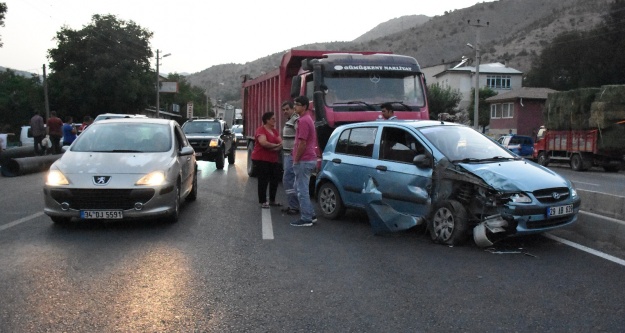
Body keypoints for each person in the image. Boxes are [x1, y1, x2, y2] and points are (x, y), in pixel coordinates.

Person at [290, 96, 318, 227]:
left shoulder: (304, 121)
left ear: (305, 107)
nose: (295, 106)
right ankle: (310, 213)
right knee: (298, 187)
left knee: (302, 190)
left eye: (298, 104)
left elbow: (302, 143)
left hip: (304, 160)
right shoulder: (305, 119)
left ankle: (306, 218)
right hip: (307, 159)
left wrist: (296, 160)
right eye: (295, 104)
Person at [250, 111, 283, 209]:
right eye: (272, 118)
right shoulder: (261, 130)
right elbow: (263, 143)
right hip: (261, 159)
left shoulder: (275, 131)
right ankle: (263, 201)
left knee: (275, 179)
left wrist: (274, 147)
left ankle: (272, 200)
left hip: (273, 159)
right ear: (267, 120)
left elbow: (281, 143)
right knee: (263, 180)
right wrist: (276, 146)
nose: (274, 120)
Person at [280, 100, 300, 215]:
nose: (285, 111)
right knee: (290, 180)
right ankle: (294, 205)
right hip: (287, 155)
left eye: (287, 109)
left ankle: (294, 206)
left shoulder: (295, 120)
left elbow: (300, 136)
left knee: (288, 180)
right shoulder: (290, 120)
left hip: (292, 156)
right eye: (283, 110)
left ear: (293, 109)